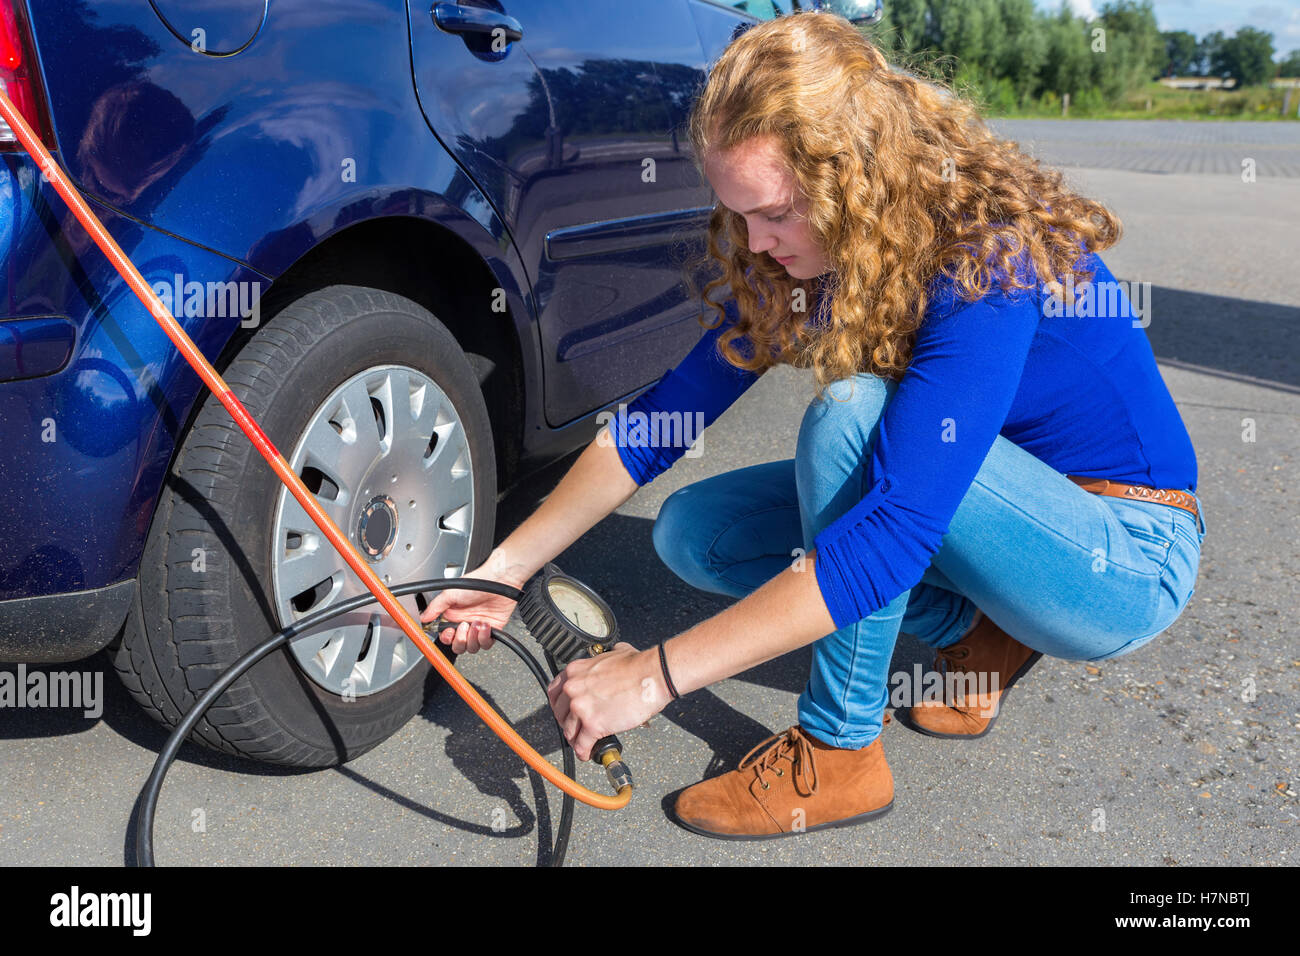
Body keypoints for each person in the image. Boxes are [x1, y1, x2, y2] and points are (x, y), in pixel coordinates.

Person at [419, 11, 1207, 841]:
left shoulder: (986, 250)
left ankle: (840, 754)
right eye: (740, 213)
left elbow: (898, 528)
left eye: (777, 214)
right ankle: (976, 629)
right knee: (697, 533)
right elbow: (661, 423)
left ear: (854, 180)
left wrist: (653, 676)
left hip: (1118, 551)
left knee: (851, 419)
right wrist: (506, 569)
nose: (756, 243)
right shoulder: (815, 254)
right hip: (980, 502)